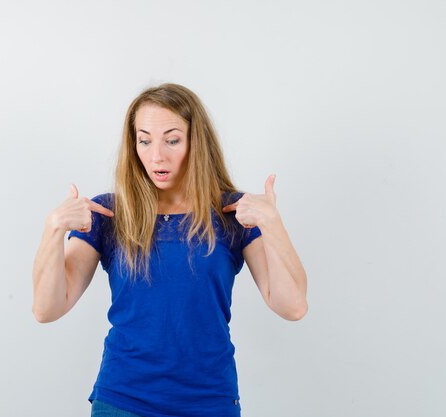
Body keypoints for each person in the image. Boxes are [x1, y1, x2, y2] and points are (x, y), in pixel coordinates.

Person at [32, 83, 308, 417]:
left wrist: (272, 224)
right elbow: (46, 309)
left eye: (172, 140)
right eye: (144, 140)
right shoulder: (108, 214)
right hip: (123, 401)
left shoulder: (233, 213)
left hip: (210, 402)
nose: (156, 155)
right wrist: (53, 229)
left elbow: (292, 306)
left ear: (196, 142)